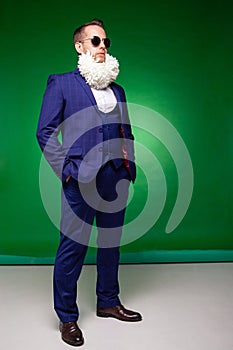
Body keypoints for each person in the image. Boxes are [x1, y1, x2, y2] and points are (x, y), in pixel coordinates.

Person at [36, 19, 142, 347]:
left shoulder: (118, 89)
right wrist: (65, 169)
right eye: (95, 40)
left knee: (110, 244)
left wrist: (128, 166)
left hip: (115, 177)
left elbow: (125, 130)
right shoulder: (62, 84)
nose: (103, 46)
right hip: (79, 178)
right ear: (80, 46)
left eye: (106, 41)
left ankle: (108, 301)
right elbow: (44, 131)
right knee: (72, 247)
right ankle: (67, 316)